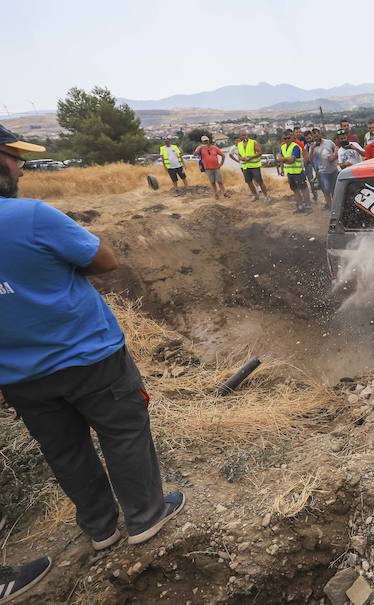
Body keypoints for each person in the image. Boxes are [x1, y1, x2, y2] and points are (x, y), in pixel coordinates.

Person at [0, 124, 185, 553]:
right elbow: (105, 260)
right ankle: (145, 517)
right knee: (123, 430)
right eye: (12, 157)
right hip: (87, 354)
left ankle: (101, 529)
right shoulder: (30, 215)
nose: (21, 168)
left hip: (18, 372)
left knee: (64, 450)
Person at [229, 130, 270, 202]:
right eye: (242, 135)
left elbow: (260, 152)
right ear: (240, 137)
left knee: (260, 181)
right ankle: (255, 195)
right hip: (245, 166)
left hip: (254, 166)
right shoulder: (239, 144)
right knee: (249, 182)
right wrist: (241, 158)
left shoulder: (253, 142)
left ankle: (266, 196)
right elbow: (239, 155)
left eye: (245, 135)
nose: (244, 136)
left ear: (247, 135)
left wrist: (251, 157)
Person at [277, 129, 310, 213]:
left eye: (288, 138)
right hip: (290, 172)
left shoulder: (295, 146)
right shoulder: (283, 147)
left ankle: (308, 206)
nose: (287, 140)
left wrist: (283, 159)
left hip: (298, 171)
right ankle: (300, 206)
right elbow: (279, 158)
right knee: (295, 190)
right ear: (283, 139)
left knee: (303, 189)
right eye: (285, 138)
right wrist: (283, 164)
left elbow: (292, 160)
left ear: (291, 137)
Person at [310, 129, 339, 205]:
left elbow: (336, 150)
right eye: (314, 136)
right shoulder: (313, 146)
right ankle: (330, 206)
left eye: (317, 135)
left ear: (320, 134)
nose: (316, 137)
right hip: (322, 172)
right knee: (326, 190)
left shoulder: (329, 142)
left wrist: (333, 157)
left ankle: (336, 206)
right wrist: (312, 149)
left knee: (335, 190)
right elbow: (310, 159)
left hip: (333, 169)